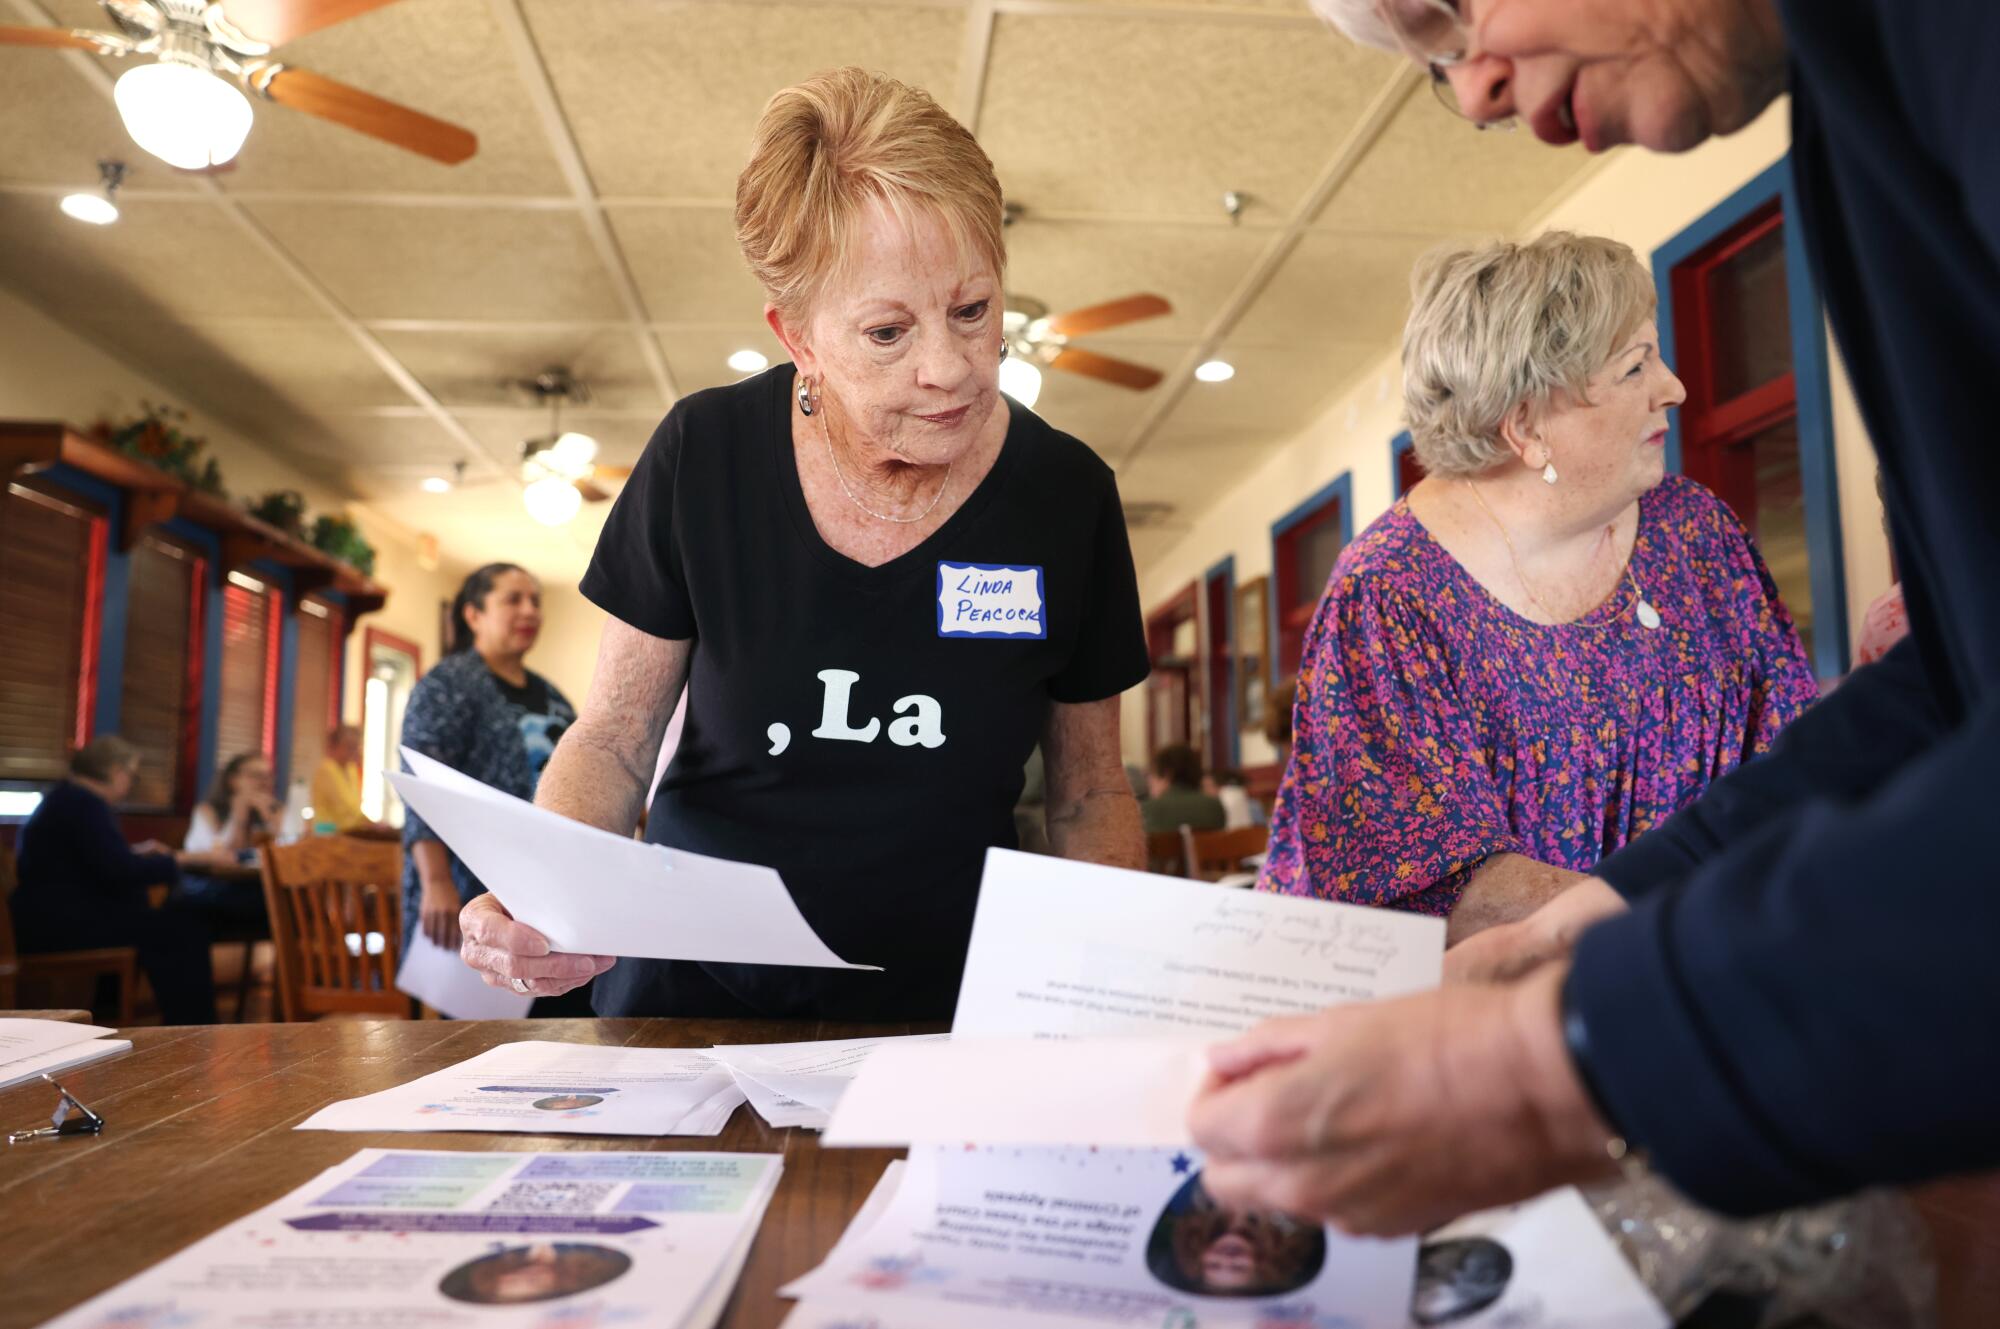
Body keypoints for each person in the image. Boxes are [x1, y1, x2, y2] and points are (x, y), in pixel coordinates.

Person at [1189, 0, 2000, 1234]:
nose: (1469, 94)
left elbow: (1831, 740)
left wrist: (1559, 1047)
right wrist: (1595, 924)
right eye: (1431, 64)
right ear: (1525, 421)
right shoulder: (1853, 100)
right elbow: (1941, 692)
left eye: (1451, 13)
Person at [455, 68, 1149, 1019]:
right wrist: (548, 901)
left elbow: (1088, 796)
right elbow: (615, 742)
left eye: (973, 310)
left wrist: (1110, 1000)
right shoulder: (704, 455)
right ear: (800, 338)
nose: (948, 368)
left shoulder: (1067, 497)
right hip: (690, 1006)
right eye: (887, 331)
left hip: (945, 1009)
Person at [1258, 232, 1814, 942]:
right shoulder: (1389, 592)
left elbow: (1791, 749)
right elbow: (1436, 889)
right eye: (1635, 366)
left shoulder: (1694, 530)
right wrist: (1686, 918)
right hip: (1476, 1012)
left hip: (1700, 965)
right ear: (1526, 426)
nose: (1673, 387)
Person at [400, 563, 580, 1012]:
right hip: (467, 884)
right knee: (480, 1028)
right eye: (513, 599)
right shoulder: (448, 684)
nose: (529, 610)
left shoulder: (552, 695)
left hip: (546, 883)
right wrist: (435, 882)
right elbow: (419, 784)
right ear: (473, 614)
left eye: (536, 600)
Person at [10, 736, 234, 1023]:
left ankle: (110, 1016)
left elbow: (93, 861)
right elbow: (120, 872)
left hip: (53, 919)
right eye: (133, 775)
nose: (131, 783)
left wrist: (134, 853)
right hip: (61, 927)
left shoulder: (67, 798)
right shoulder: (83, 805)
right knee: (181, 927)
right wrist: (183, 859)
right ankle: (195, 1030)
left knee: (165, 924)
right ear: (117, 772)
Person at [177, 751, 283, 930]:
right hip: (217, 887)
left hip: (258, 888)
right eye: (255, 775)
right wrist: (239, 815)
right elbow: (220, 857)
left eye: (268, 776)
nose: (263, 782)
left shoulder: (273, 812)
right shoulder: (207, 811)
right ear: (232, 779)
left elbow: (285, 851)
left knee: (292, 904)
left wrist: (273, 821)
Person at [1142, 744, 1228, 835]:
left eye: (1152, 774)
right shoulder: (1214, 806)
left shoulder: (1148, 810)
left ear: (1167, 774)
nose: (1149, 781)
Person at [309, 724, 375, 833]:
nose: (353, 751)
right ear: (335, 746)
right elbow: (345, 810)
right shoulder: (327, 769)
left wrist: (372, 823)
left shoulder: (351, 769)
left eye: (356, 746)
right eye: (349, 746)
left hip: (348, 833)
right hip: (328, 833)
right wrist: (369, 824)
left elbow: (355, 809)